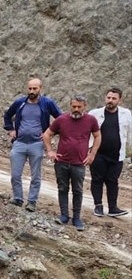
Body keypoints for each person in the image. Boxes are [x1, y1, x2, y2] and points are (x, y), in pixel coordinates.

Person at [42, 95, 101, 231]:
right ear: (70, 106)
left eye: (79, 107)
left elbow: (98, 136)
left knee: (78, 190)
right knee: (62, 188)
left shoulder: (91, 120)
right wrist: (50, 151)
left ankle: (77, 218)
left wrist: (92, 154)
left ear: (84, 107)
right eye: (74, 106)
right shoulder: (61, 119)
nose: (76, 109)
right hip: (61, 161)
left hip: (79, 163)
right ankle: (64, 215)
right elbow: (47, 134)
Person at [3, 76, 62, 211]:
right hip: (19, 143)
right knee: (15, 174)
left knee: (35, 175)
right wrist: (11, 129)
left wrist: (50, 133)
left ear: (40, 89)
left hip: (37, 144)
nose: (32, 91)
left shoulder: (47, 103)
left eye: (35, 88)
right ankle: (17, 198)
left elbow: (61, 119)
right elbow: (7, 115)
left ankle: (32, 201)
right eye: (30, 88)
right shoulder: (20, 103)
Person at [89, 88, 131, 218]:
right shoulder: (94, 114)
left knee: (113, 180)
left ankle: (113, 207)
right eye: (108, 98)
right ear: (105, 98)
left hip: (117, 154)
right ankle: (98, 206)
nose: (110, 101)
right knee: (97, 179)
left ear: (119, 100)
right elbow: (85, 132)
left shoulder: (126, 114)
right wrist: (87, 149)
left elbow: (129, 133)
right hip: (98, 153)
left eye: (113, 98)